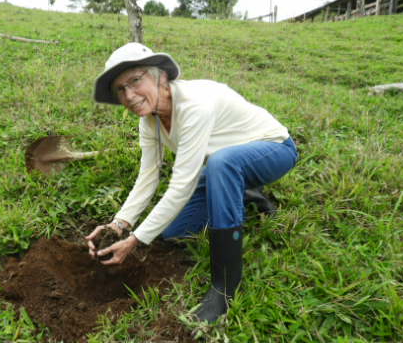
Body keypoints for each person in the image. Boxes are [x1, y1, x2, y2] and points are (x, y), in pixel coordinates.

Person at [85, 43, 298, 322]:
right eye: (121, 89)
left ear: (160, 76)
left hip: (274, 150)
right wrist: (120, 224)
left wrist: (135, 240)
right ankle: (246, 195)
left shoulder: (195, 105)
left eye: (135, 81)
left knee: (223, 163)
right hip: (223, 168)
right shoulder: (149, 122)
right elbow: (149, 176)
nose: (129, 95)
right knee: (175, 231)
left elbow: (182, 185)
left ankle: (224, 286)